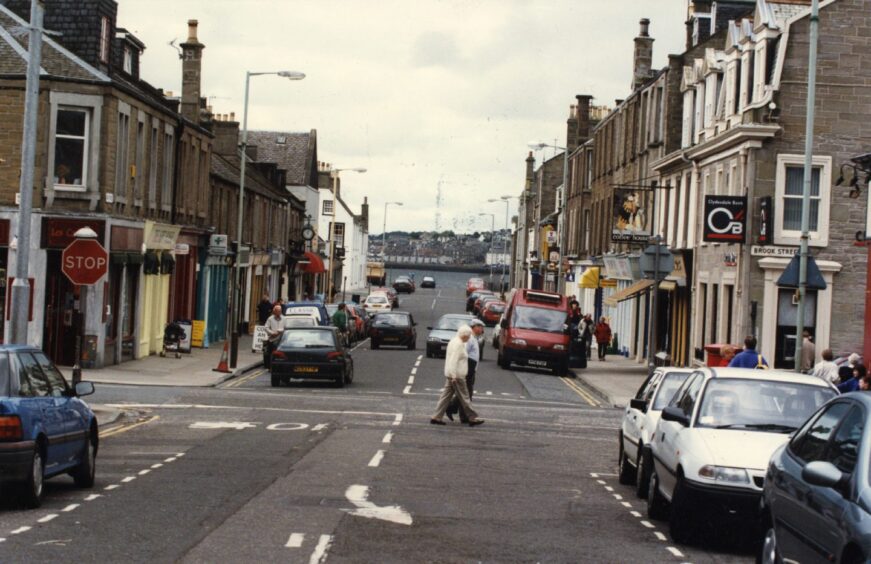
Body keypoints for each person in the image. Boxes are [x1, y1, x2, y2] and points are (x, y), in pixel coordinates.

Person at [431, 325, 484, 427]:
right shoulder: (459, 344)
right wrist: (454, 375)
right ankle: (472, 418)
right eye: (468, 336)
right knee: (465, 397)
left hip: (451, 374)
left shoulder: (453, 341)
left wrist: (451, 374)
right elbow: (454, 360)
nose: (469, 338)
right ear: (464, 335)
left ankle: (436, 417)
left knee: (445, 397)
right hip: (457, 376)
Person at [446, 319, 485, 423]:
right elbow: (463, 355)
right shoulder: (470, 338)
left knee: (466, 393)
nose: (482, 329)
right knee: (466, 394)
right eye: (480, 326)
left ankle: (457, 412)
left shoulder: (473, 338)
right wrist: (466, 371)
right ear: (474, 327)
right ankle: (456, 411)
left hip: (471, 368)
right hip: (467, 369)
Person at [264, 304, 284, 370]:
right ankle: (271, 367)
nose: (279, 313)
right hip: (272, 339)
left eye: (280, 311)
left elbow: (287, 328)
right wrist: (272, 333)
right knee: (271, 354)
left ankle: (280, 367)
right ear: (274, 311)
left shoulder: (284, 319)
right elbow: (266, 327)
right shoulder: (270, 319)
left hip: (281, 340)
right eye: (277, 311)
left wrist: (279, 331)